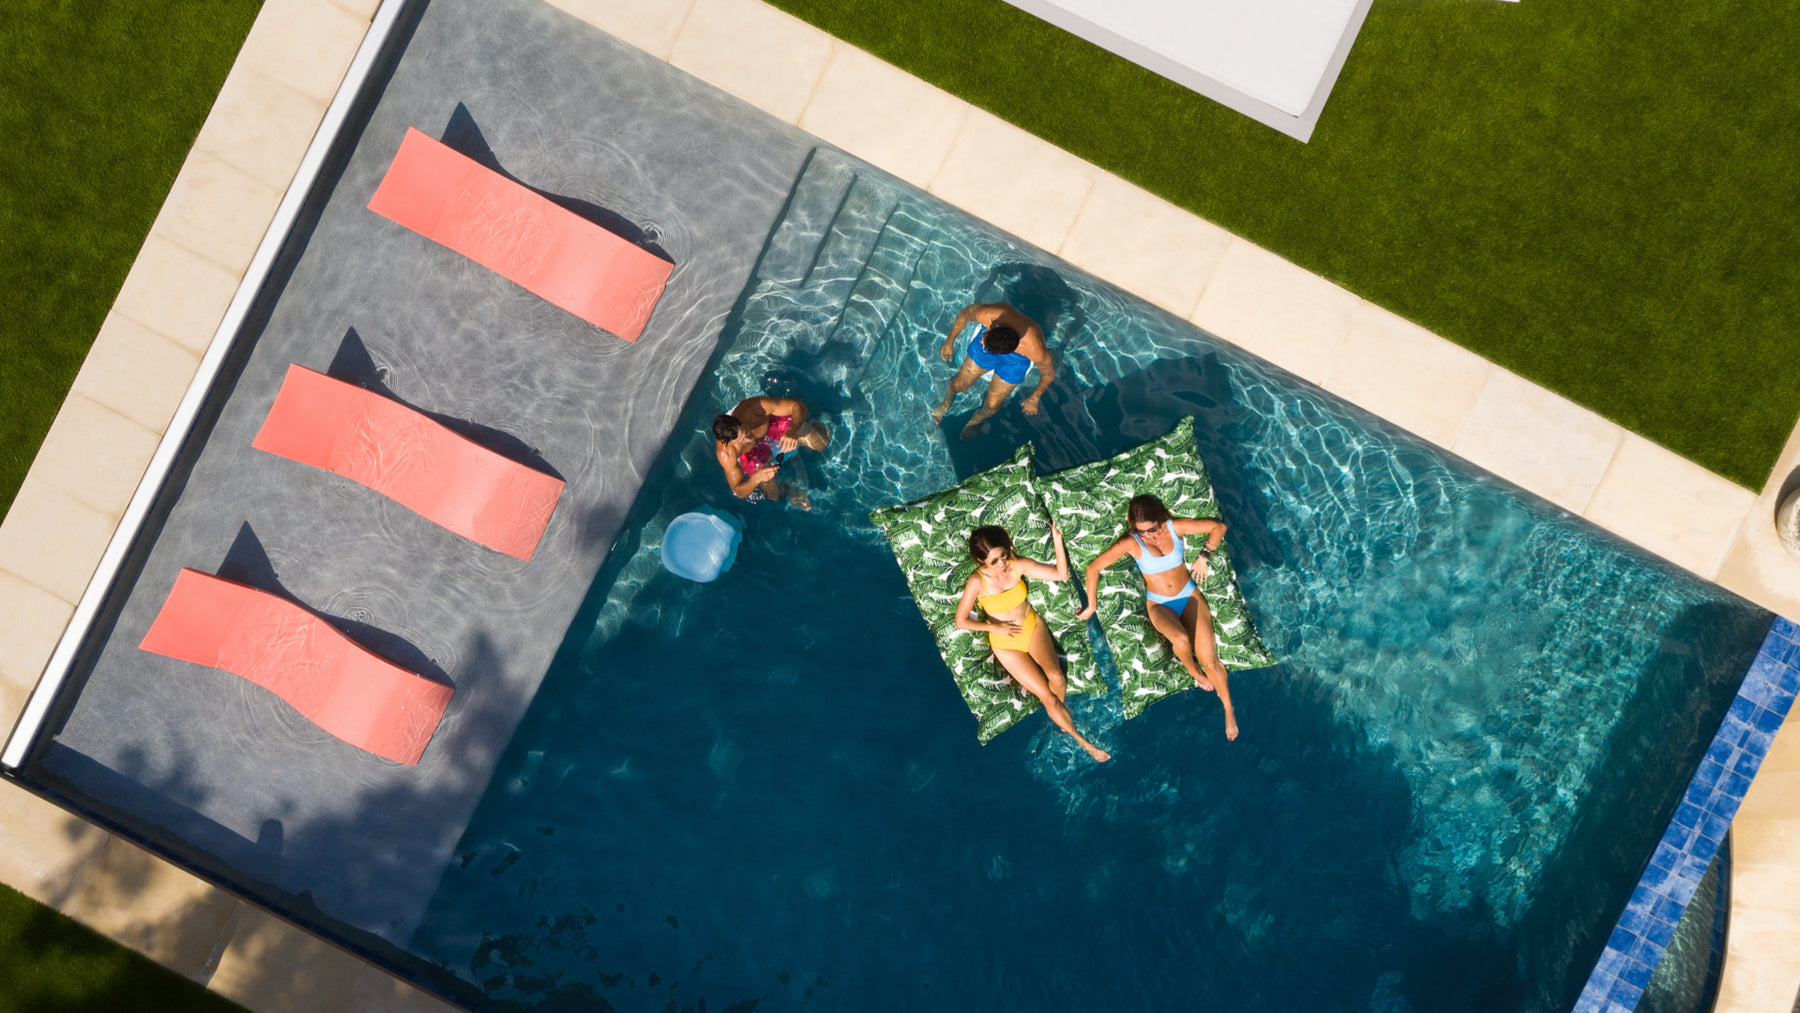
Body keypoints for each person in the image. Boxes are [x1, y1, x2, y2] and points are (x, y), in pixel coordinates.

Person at [1077, 494, 1238, 740]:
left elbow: (1219, 527)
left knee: (1213, 663)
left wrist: (1204, 556)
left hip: (1189, 597)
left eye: (1152, 529)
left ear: (1161, 518)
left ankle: (1228, 708)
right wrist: (1091, 605)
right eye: (1142, 531)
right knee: (1181, 641)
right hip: (1159, 605)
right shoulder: (1132, 542)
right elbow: (1093, 567)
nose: (1149, 535)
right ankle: (1193, 672)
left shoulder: (1175, 527)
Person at [956, 524, 1111, 762]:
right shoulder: (977, 581)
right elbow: (961, 621)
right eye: (994, 560)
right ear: (980, 559)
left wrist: (1057, 539)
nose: (1002, 563)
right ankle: (1083, 742)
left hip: (1031, 626)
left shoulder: (1016, 565)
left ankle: (1057, 715)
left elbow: (1061, 574)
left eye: (1003, 555)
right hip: (1005, 643)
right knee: (1047, 697)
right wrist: (993, 626)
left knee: (1057, 678)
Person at [931, 303, 1056, 440]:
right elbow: (965, 314)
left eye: (983, 342)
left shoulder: (1035, 349)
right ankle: (945, 404)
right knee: (958, 385)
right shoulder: (991, 314)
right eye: (984, 340)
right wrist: (950, 341)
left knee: (992, 405)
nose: (981, 342)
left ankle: (978, 418)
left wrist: (1034, 398)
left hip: (1017, 360)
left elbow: (1048, 374)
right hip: (995, 338)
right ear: (994, 325)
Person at [712, 396, 830, 509]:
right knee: (774, 495)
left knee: (822, 444)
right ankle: (787, 485)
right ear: (729, 443)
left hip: (771, 425)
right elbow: (738, 490)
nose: (748, 439)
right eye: (741, 441)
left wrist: (791, 431)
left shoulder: (756, 408)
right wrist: (756, 478)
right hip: (752, 454)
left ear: (739, 419)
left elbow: (798, 406)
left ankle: (814, 423)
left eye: (746, 432)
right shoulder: (727, 453)